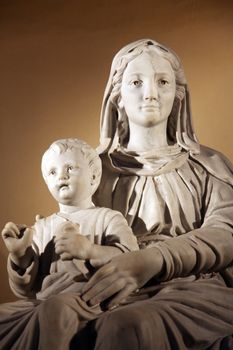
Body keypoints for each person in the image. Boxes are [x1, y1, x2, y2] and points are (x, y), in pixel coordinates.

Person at [79, 39, 233, 349]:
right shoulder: (93, 169)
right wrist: (26, 262)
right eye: (136, 82)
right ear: (118, 96)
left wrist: (154, 259)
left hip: (191, 289)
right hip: (108, 286)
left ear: (178, 96)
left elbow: (226, 233)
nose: (150, 93)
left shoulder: (208, 166)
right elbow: (68, 240)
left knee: (127, 327)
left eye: (162, 81)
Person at [0, 138, 138, 350]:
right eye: (52, 173)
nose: (61, 176)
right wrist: (20, 256)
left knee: (56, 309)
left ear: (94, 176)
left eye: (70, 168)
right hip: (43, 301)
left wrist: (89, 250)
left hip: (88, 300)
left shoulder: (108, 218)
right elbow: (25, 291)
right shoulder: (42, 227)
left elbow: (132, 260)